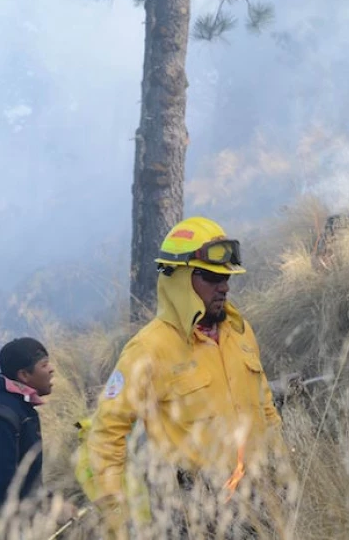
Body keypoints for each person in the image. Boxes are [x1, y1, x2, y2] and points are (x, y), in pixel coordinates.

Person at [88, 217, 288, 539]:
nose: (223, 286)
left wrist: (280, 466)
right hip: (193, 510)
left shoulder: (240, 332)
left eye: (226, 277)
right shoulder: (148, 349)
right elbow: (105, 434)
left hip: (259, 495)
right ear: (178, 279)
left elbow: (264, 403)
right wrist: (117, 510)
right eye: (211, 277)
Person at [0, 337, 54, 509]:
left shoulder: (21, 409)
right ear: (24, 375)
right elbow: (4, 484)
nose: (52, 369)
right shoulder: (6, 415)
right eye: (44, 365)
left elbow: (28, 477)